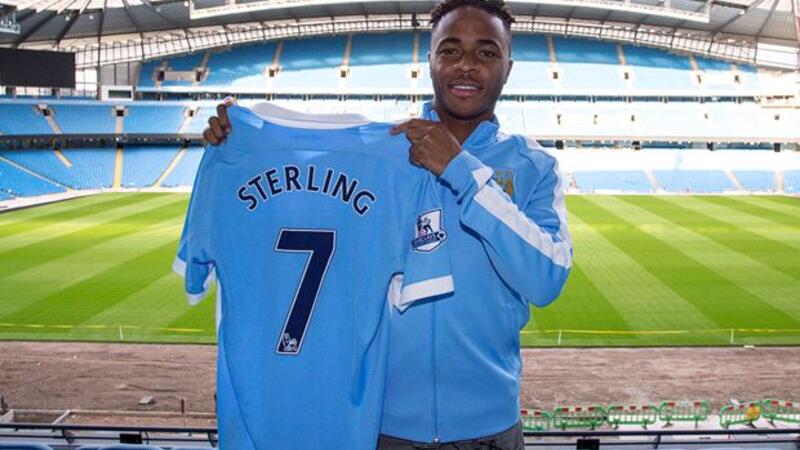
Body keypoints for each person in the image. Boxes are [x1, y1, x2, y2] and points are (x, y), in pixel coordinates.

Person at [203, 0, 572, 448]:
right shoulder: (381, 155)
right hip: (381, 424)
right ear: (430, 61)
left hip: (489, 426)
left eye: (487, 52)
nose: (467, 65)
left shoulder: (534, 165)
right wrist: (240, 141)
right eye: (450, 50)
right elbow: (297, 195)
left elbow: (546, 278)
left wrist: (463, 172)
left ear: (508, 67)